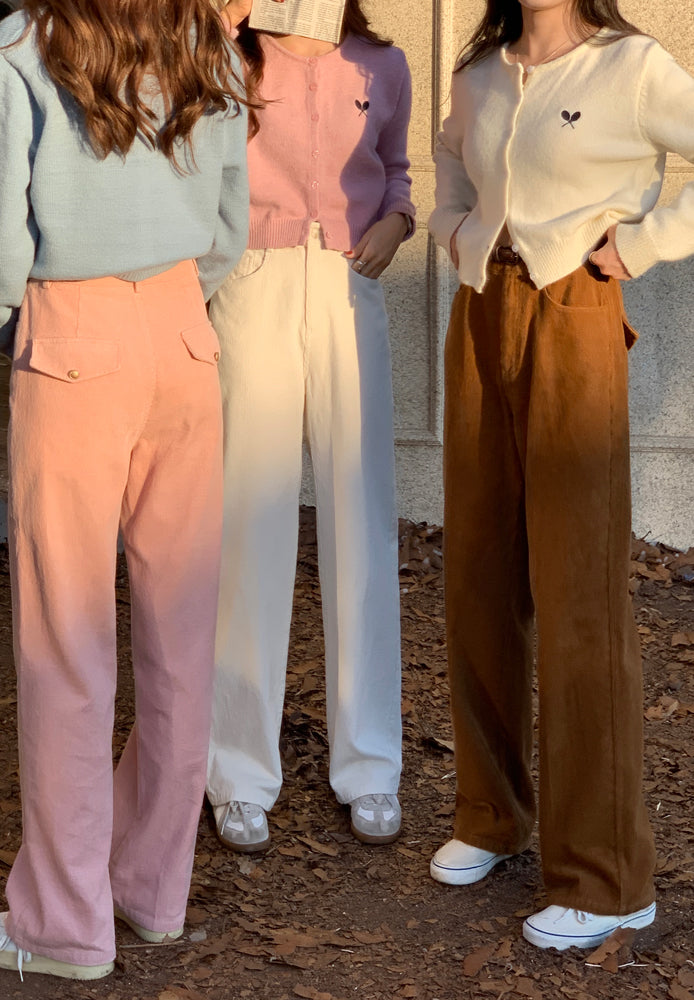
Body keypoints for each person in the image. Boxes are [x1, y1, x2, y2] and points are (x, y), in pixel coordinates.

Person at [0, 0, 248, 979]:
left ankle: (64, 924)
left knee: (65, 640)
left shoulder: (24, 44)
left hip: (73, 335)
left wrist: (19, 327)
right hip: (182, 333)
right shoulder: (205, 38)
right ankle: (151, 890)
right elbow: (229, 218)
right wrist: (172, 302)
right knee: (181, 634)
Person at [428, 0, 694, 952]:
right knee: (479, 577)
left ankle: (608, 876)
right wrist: (457, 231)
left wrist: (640, 245)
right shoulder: (481, 70)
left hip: (575, 312)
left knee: (580, 595)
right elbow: (452, 159)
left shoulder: (631, 66)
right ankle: (491, 816)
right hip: (481, 311)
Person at [206, 0, 415, 852]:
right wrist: (216, 29)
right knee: (248, 520)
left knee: (363, 521)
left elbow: (396, 171)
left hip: (346, 281)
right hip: (250, 279)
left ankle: (371, 764)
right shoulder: (228, 53)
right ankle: (236, 770)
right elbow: (187, 150)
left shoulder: (380, 63)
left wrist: (396, 223)